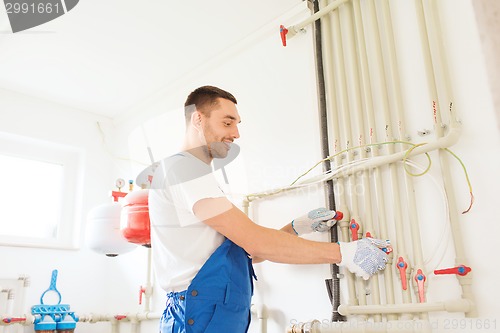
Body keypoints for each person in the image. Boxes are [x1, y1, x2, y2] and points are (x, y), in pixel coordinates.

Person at [148, 85, 390, 333]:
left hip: (207, 312)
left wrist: (296, 228)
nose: (236, 133)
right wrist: (344, 253)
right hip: (197, 312)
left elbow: (243, 253)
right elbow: (256, 243)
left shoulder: (192, 175)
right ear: (198, 118)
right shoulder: (185, 170)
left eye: (237, 124)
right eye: (228, 123)